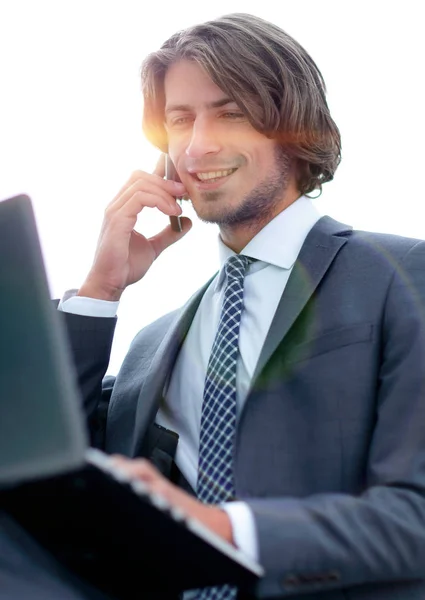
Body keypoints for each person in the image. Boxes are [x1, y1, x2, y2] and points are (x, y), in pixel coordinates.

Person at [59, 12, 425, 600]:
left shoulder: (406, 275)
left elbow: (416, 516)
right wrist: (101, 291)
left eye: (230, 113)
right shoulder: (152, 346)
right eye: (180, 119)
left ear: (294, 127)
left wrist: (219, 532)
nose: (199, 145)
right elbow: (42, 468)